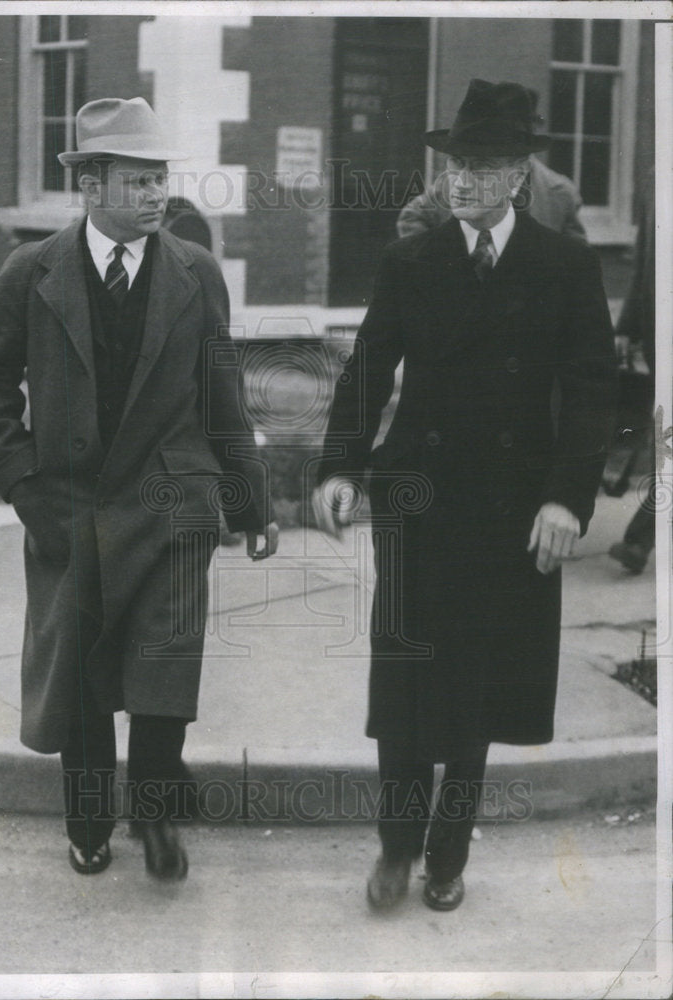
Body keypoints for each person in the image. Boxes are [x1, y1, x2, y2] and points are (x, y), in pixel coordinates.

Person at [312, 79, 616, 913]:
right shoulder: (414, 259)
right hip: (420, 502)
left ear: (520, 175)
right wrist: (338, 469)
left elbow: (594, 391)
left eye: (484, 166)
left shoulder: (564, 266)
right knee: (406, 686)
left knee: (478, 688)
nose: (463, 181)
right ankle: (396, 845)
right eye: (455, 166)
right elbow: (368, 370)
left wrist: (568, 499)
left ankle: (448, 854)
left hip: (516, 510)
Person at [0, 97, 277, 880]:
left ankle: (158, 816)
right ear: (91, 187)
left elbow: (221, 393)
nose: (154, 194)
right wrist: (26, 487)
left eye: (158, 177)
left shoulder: (195, 273)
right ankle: (90, 822)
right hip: (71, 510)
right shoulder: (30, 273)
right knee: (85, 675)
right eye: (135, 180)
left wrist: (252, 498)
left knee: (165, 666)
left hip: (174, 503)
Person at [397, 89, 585, 242]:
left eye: (521, 126)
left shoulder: (561, 192)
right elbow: (412, 217)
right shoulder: (454, 183)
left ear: (534, 128)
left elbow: (576, 263)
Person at [608, 168, 656, 573]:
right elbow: (644, 258)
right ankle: (624, 467)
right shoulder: (657, 174)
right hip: (662, 331)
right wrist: (627, 325)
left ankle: (641, 539)